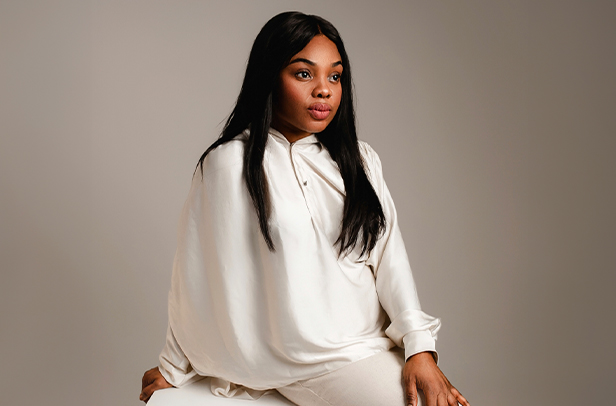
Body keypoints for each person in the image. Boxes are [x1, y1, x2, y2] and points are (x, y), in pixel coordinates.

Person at [140, 11, 470, 406]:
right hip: (302, 363)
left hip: (367, 348)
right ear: (269, 78)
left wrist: (419, 350)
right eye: (303, 74)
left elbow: (390, 261)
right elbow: (195, 275)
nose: (324, 90)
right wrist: (172, 367)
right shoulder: (229, 164)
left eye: (335, 76)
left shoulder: (360, 161)